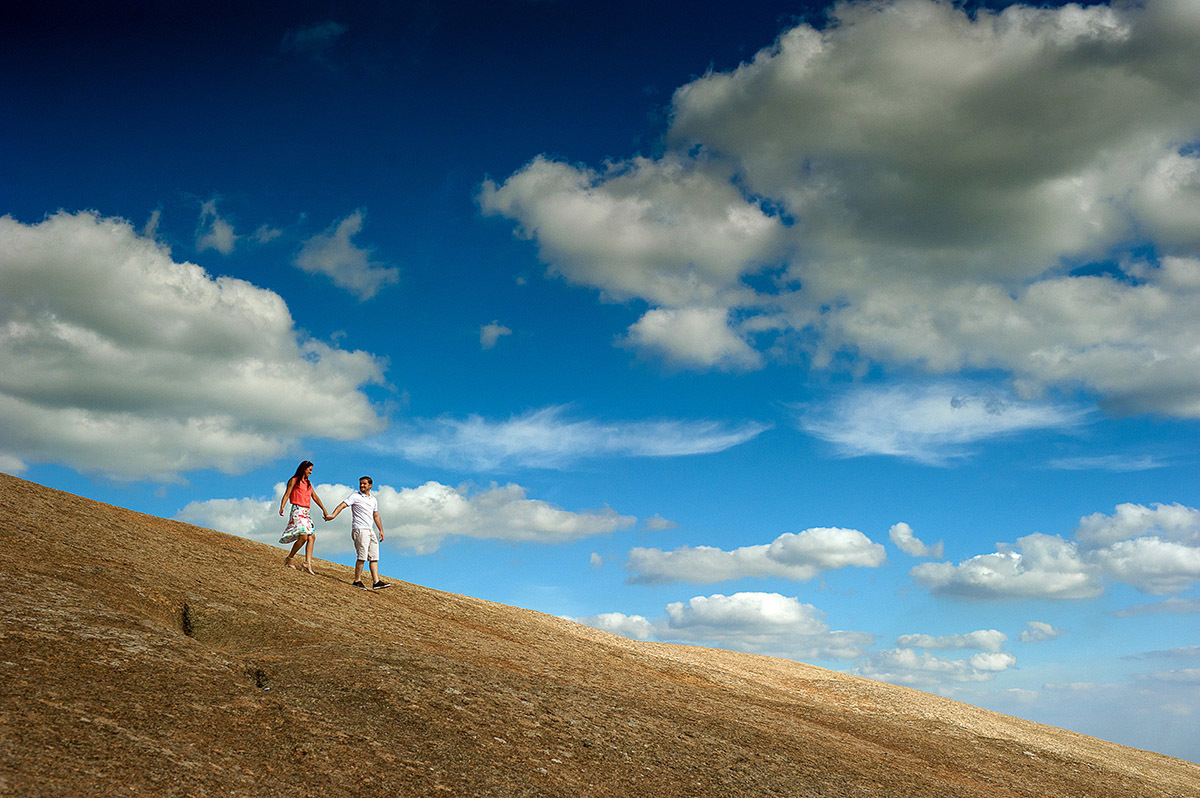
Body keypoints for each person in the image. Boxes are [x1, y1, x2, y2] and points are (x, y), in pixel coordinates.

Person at [325, 475, 391, 591]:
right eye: (360, 483)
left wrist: (380, 530)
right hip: (360, 529)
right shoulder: (355, 496)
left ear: (370, 485)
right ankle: (357, 580)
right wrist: (333, 515)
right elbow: (342, 505)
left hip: (370, 530)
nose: (362, 485)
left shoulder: (373, 499)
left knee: (374, 556)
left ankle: (376, 582)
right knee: (362, 556)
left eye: (364, 484)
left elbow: (376, 515)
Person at [278, 460, 328, 575]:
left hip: (306, 512)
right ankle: (290, 558)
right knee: (304, 536)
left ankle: (307, 563)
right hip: (297, 510)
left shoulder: (309, 484)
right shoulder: (294, 481)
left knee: (312, 537)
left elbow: (315, 497)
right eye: (309, 470)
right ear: (304, 469)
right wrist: (282, 506)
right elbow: (287, 494)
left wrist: (324, 509)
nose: (311, 472)